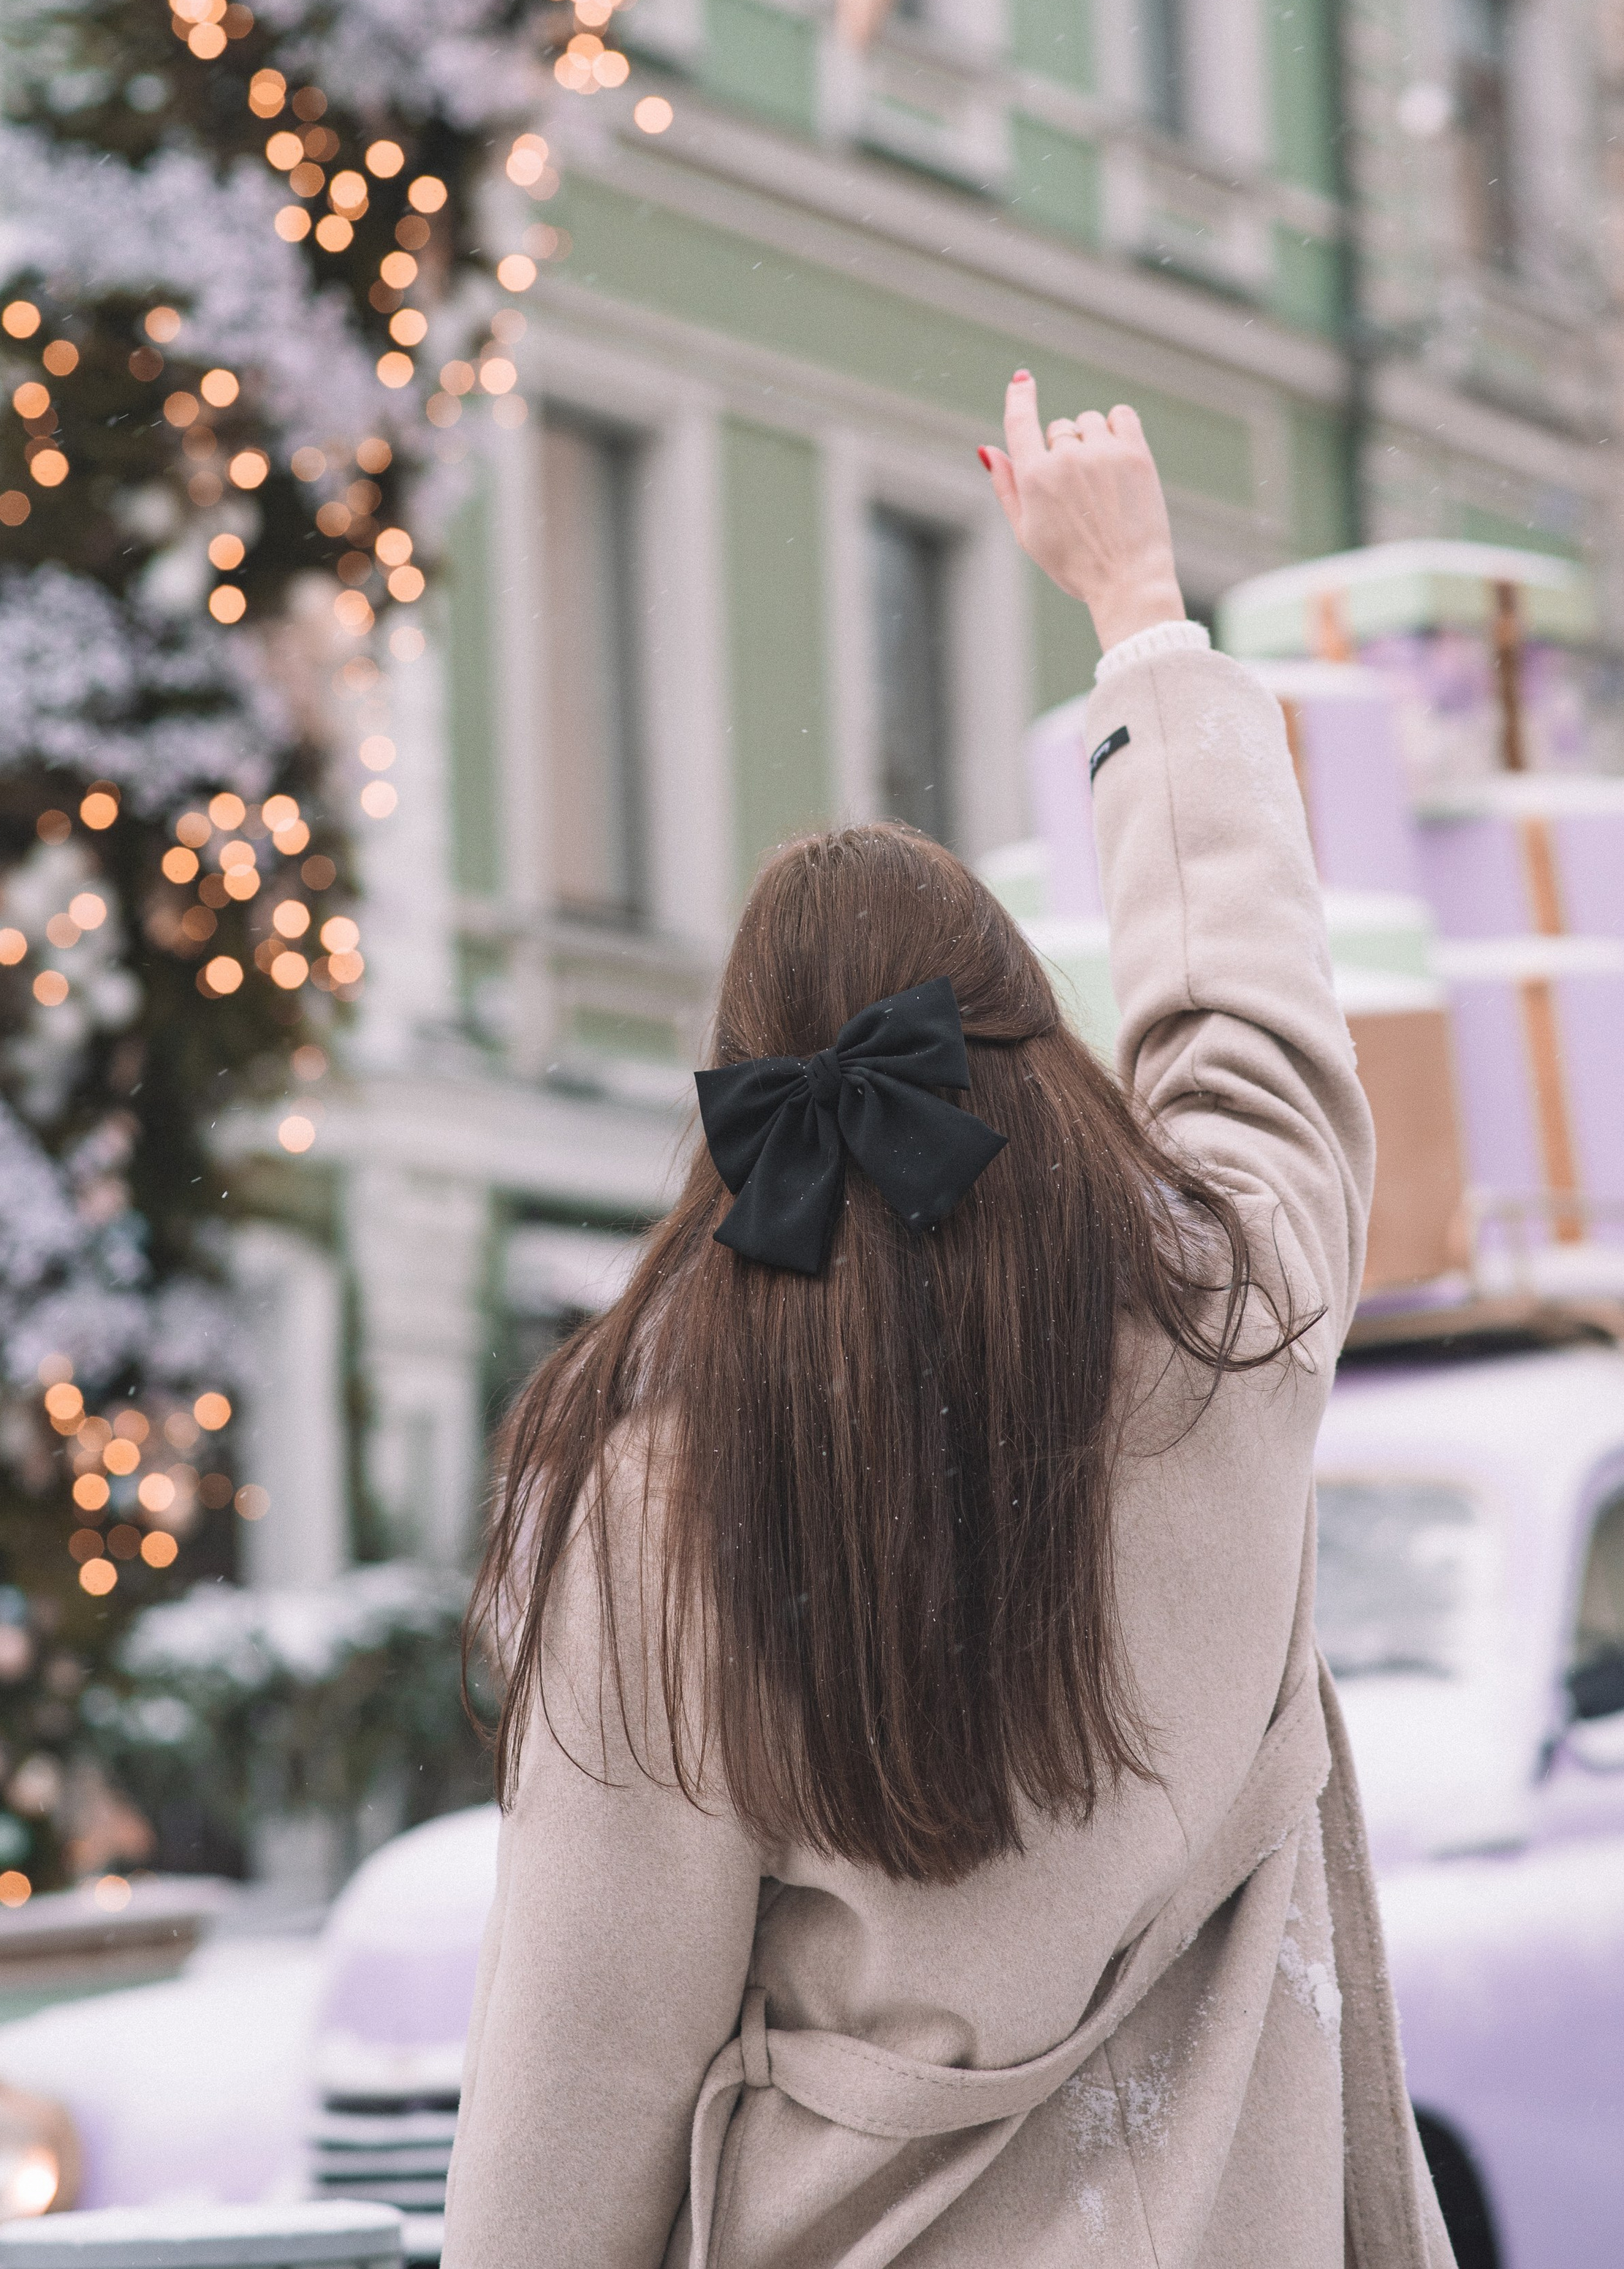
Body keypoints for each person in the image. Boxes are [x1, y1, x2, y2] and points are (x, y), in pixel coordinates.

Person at [444, 381, 1453, 2268]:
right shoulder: (1236, 1331)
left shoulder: (675, 1498)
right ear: (1033, 1051)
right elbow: (1252, 1014)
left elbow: (582, 2060)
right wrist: (1137, 603)